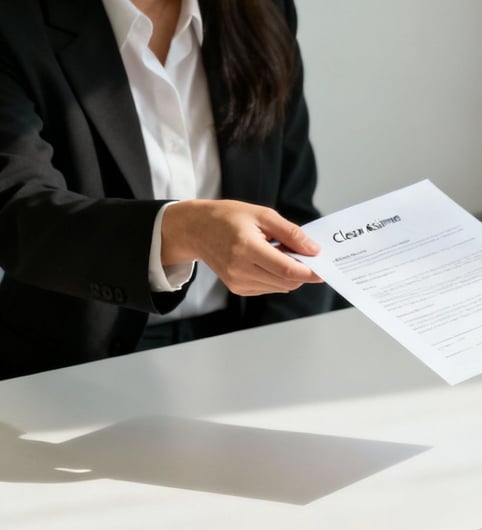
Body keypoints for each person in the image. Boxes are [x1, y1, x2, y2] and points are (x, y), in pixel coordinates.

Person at [0, 0, 332, 380]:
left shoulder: (264, 9)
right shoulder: (15, 21)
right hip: (73, 366)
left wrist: (272, 357)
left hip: (245, 343)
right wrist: (184, 229)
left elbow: (293, 209)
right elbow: (17, 211)